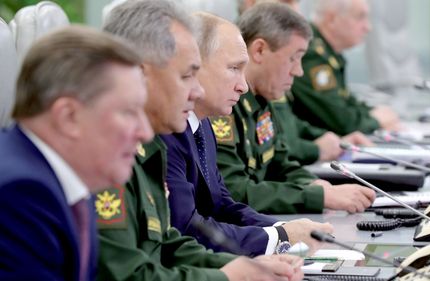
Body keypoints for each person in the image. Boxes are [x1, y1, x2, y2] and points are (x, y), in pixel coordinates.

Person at [96, 1, 303, 280]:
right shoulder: (108, 155)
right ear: (141, 74)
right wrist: (229, 274)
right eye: (187, 75)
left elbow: (167, 243)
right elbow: (134, 272)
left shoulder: (153, 141)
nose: (196, 91)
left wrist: (245, 264)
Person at [162, 12, 333, 257]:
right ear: (195, 66)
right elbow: (188, 228)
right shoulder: (168, 133)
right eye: (233, 69)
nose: (243, 86)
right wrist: (279, 237)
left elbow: (221, 203)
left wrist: (282, 229)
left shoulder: (201, 125)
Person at [0, 26, 153, 281]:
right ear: (69, 117)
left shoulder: (66, 182)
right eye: (129, 112)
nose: (145, 133)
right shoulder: (21, 194)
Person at [213, 2, 376, 214]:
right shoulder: (223, 106)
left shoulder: (263, 96)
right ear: (260, 50)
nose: (298, 71)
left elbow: (280, 163)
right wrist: (316, 197)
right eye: (293, 58)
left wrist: (317, 186)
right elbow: (233, 192)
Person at [290, 0, 401, 136]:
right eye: (360, 17)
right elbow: (340, 121)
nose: (368, 27)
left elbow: (345, 101)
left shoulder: (328, 53)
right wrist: (376, 120)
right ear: (332, 19)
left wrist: (372, 112)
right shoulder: (311, 54)